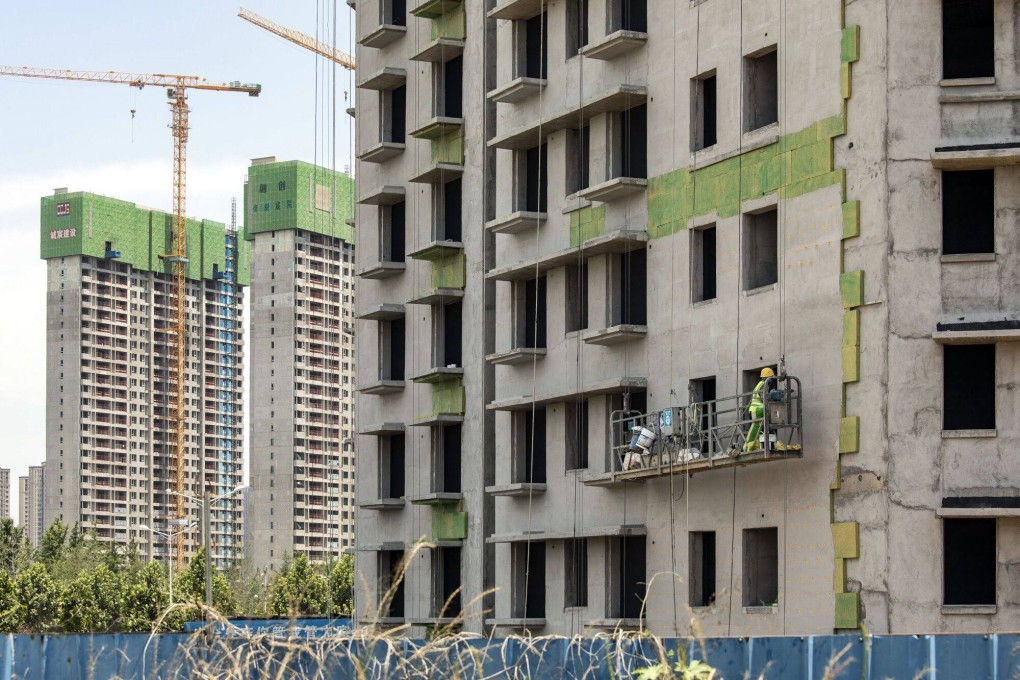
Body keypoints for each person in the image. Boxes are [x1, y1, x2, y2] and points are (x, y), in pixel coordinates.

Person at [743, 367, 775, 452]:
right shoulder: (764, 384)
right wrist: (772, 397)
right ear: (768, 377)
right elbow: (763, 397)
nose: (773, 380)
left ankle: (761, 444)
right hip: (757, 409)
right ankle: (748, 446)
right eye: (772, 377)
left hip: (757, 409)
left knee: (763, 427)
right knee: (756, 427)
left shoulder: (761, 383)